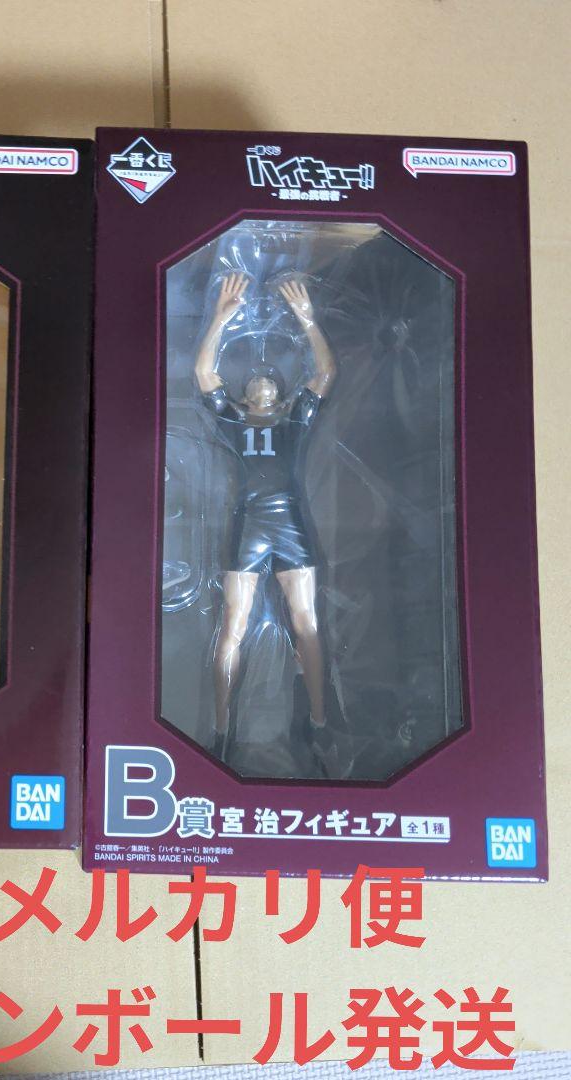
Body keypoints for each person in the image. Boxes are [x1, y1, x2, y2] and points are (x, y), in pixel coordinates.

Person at [193, 273, 336, 766]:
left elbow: (325, 371)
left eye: (270, 380)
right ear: (246, 393)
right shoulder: (231, 420)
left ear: (279, 391)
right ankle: (220, 725)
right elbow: (204, 372)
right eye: (254, 381)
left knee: (307, 621)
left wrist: (307, 319)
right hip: (248, 523)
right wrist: (219, 319)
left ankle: (319, 720)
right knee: (233, 622)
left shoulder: (297, 419)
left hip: (290, 522)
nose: (262, 381)